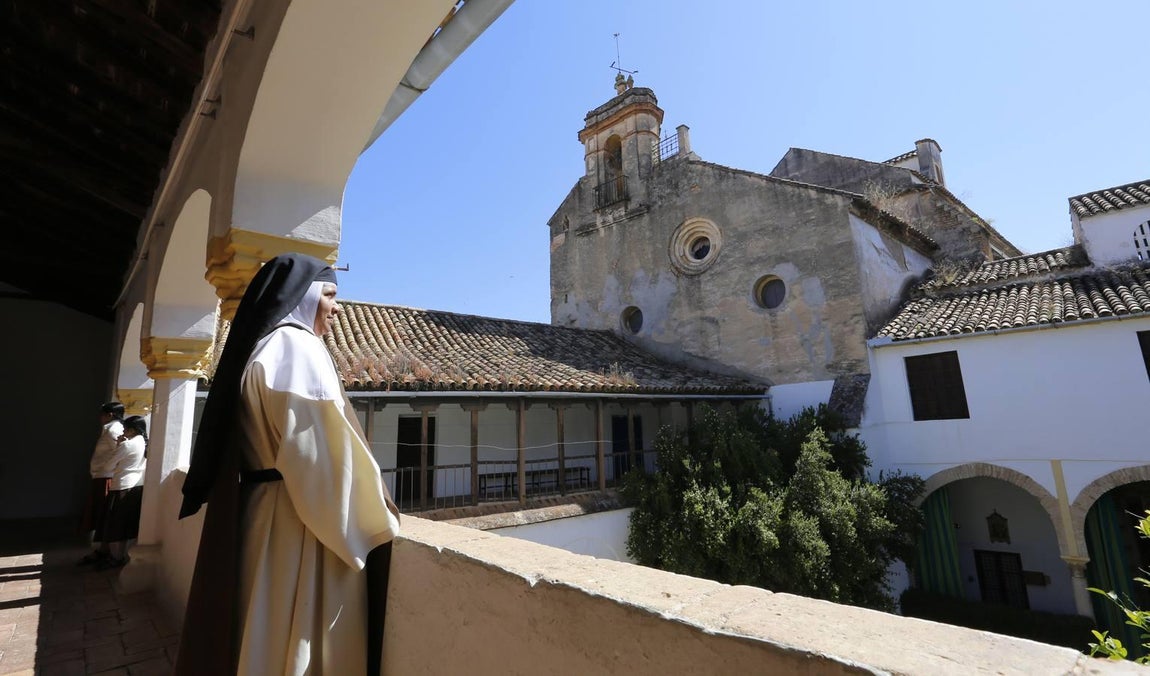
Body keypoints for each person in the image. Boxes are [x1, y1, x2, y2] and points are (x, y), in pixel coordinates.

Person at [175, 253, 400, 676]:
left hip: (267, 509)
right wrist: (374, 519)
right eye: (330, 295)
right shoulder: (298, 350)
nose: (337, 308)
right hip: (300, 522)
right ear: (306, 295)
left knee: (264, 629)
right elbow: (319, 459)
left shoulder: (266, 347)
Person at [96, 415, 148, 570]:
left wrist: (119, 445)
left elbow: (108, 466)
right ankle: (123, 556)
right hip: (136, 485)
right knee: (127, 524)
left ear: (132, 430)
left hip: (121, 486)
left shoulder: (127, 445)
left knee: (116, 524)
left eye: (125, 428)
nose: (123, 431)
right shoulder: (143, 443)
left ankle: (115, 557)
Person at [79, 401, 125, 566]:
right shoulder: (110, 429)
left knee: (104, 514)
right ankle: (103, 549)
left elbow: (119, 451)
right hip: (101, 476)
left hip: (106, 476)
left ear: (110, 415)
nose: (100, 417)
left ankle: (108, 551)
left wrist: (109, 468)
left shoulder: (114, 429)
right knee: (101, 514)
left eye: (102, 414)